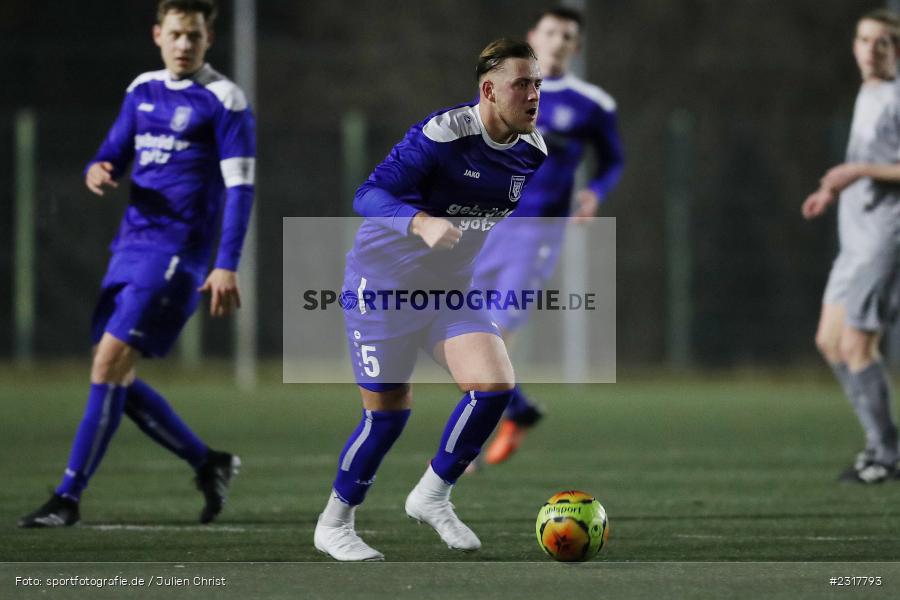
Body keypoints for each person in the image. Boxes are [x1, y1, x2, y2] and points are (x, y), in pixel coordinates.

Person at [18, 0, 255, 527]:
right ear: (157, 35)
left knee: (108, 365)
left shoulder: (224, 99)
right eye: (175, 34)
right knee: (112, 376)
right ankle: (207, 461)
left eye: (194, 35)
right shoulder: (141, 90)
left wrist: (226, 262)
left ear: (207, 39)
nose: (184, 44)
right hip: (130, 249)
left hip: (178, 255)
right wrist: (97, 171)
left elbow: (241, 188)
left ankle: (67, 499)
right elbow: (111, 154)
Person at [313, 38, 547, 561]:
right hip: (382, 288)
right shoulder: (443, 134)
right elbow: (367, 194)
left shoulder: (533, 152)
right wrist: (419, 222)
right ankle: (334, 523)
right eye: (521, 84)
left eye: (537, 84)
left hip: (448, 293)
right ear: (489, 89)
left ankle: (433, 495)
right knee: (389, 417)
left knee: (495, 385)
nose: (533, 94)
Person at [474, 6, 624, 466]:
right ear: (533, 36)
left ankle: (469, 446)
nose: (559, 41)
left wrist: (595, 192)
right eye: (552, 31)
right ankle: (518, 408)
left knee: (497, 333)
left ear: (575, 47)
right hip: (488, 226)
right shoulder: (499, 90)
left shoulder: (591, 103)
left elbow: (613, 160)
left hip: (538, 231)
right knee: (458, 330)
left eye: (568, 36)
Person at [802, 8, 900, 484]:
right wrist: (832, 189)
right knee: (830, 342)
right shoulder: (870, 93)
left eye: (882, 41)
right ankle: (881, 446)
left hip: (885, 238)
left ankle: (887, 455)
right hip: (854, 236)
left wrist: (856, 173)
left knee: (859, 345)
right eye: (864, 40)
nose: (871, 49)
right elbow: (866, 159)